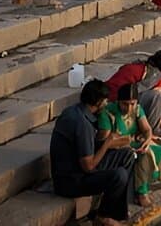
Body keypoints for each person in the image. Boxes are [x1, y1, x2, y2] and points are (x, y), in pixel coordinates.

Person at [50, 79, 135, 226]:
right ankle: (102, 216)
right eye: (105, 101)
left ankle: (116, 212)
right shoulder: (82, 124)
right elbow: (88, 166)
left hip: (76, 169)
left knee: (127, 154)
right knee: (119, 175)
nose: (106, 104)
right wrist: (108, 142)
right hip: (71, 181)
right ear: (98, 102)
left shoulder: (73, 111)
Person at [97, 82, 161, 206]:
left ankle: (146, 184)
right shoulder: (107, 113)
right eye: (125, 104)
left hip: (137, 144)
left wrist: (147, 140)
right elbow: (104, 142)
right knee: (145, 155)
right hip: (118, 149)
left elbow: (147, 130)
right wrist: (130, 140)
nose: (129, 108)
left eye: (132, 104)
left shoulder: (137, 109)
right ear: (118, 101)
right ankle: (142, 193)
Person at [105, 49, 161, 137]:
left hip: (111, 98)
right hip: (115, 100)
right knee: (157, 97)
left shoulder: (141, 66)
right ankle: (153, 131)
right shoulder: (153, 75)